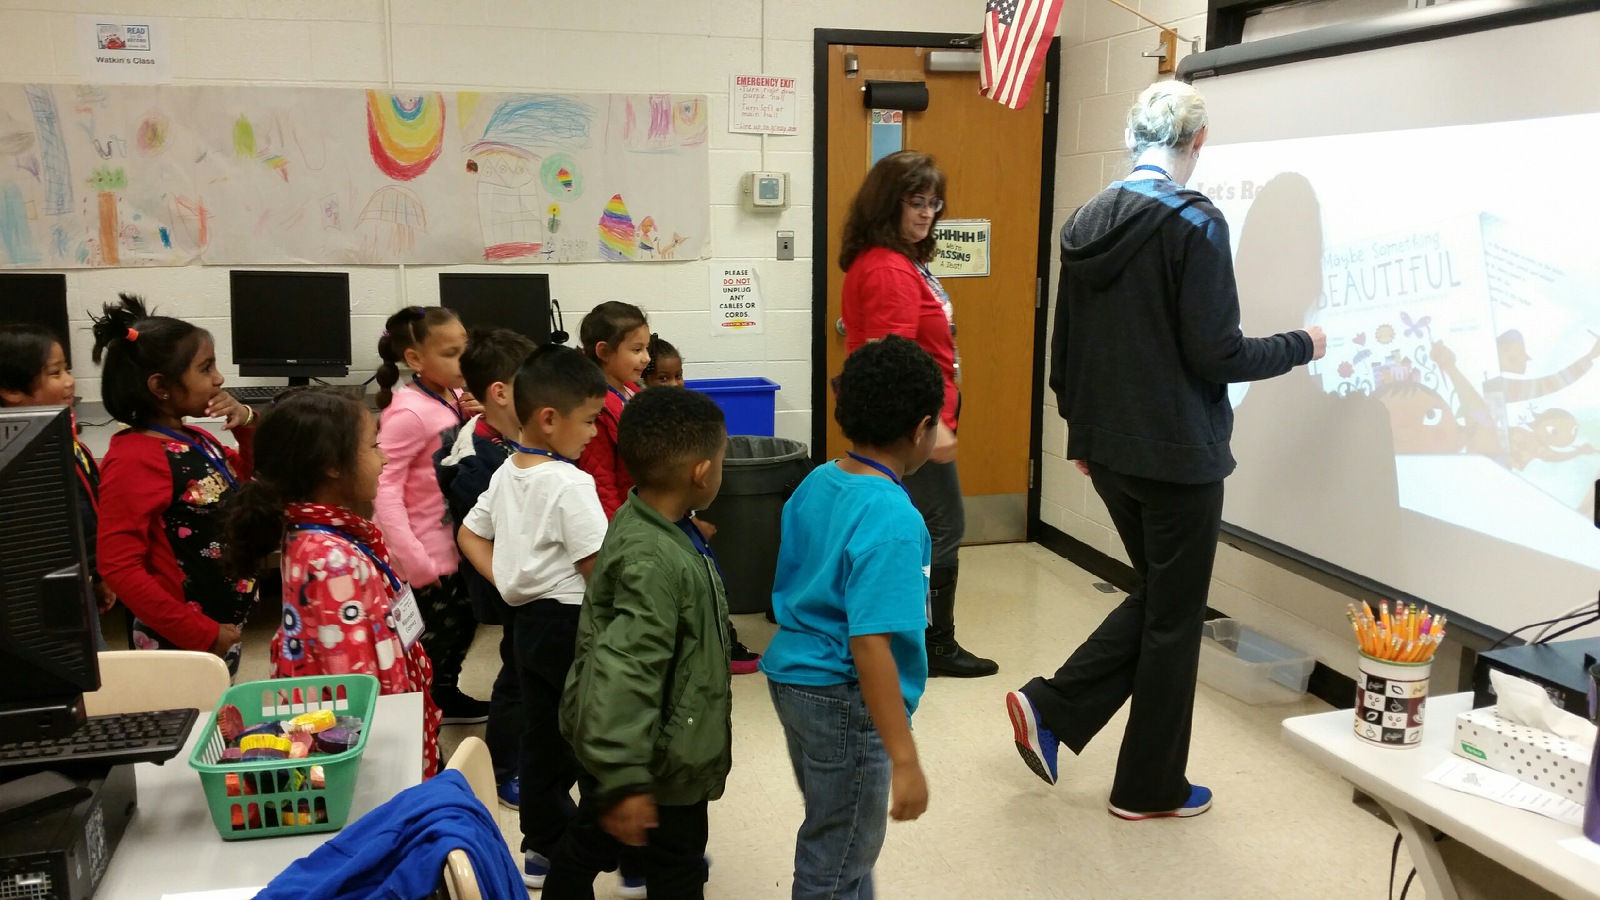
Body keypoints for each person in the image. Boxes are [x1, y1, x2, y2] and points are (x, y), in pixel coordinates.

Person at [1008, 82, 1327, 819]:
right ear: (1199, 141)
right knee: (1174, 619)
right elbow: (1218, 354)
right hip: (1180, 459)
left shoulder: (1085, 219)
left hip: (1106, 452)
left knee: (1162, 600)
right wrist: (1301, 345)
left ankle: (1053, 709)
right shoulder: (1197, 222)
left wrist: (1083, 430)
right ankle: (1143, 786)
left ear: (1132, 136)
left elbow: (1064, 349)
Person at [762, 336, 938, 899]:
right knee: (838, 856)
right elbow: (870, 645)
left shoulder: (819, 479)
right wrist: (905, 759)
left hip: (794, 681)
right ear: (922, 428)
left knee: (841, 833)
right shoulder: (893, 519)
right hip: (843, 697)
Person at [543, 387, 731, 900]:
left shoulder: (652, 520)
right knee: (676, 867)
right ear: (700, 473)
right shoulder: (652, 559)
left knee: (594, 836)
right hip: (653, 757)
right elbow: (626, 667)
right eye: (721, 460)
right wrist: (626, 779)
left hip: (643, 739)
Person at [223, 389, 443, 779]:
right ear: (332, 466)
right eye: (373, 446)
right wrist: (390, 745)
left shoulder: (319, 532)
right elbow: (353, 685)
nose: (384, 458)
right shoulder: (330, 559)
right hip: (370, 739)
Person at [455, 345, 610, 892]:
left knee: (542, 739)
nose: (593, 432)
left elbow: (469, 533)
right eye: (588, 420)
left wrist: (505, 579)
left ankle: (541, 846)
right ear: (549, 418)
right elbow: (598, 570)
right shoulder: (570, 483)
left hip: (526, 626)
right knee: (595, 740)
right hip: (572, 625)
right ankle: (607, 846)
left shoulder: (508, 471)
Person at [839, 149, 996, 678]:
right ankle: (935, 643)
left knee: (912, 525)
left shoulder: (896, 260)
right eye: (915, 202)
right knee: (942, 525)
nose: (928, 213)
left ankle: (908, 634)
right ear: (890, 204)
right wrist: (934, 424)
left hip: (911, 423)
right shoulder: (888, 268)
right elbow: (895, 361)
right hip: (910, 428)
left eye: (934, 203)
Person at [90, 293, 259, 672]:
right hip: (180, 639)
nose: (219, 379)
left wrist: (246, 422)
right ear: (160, 386)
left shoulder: (196, 439)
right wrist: (199, 632)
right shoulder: (134, 459)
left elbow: (251, 481)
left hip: (221, 627)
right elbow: (119, 566)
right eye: (206, 368)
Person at [435, 327, 536, 809]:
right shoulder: (475, 457)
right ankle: (503, 768)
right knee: (517, 673)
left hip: (533, 577)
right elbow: (483, 531)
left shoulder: (517, 435)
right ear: (500, 393)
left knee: (532, 665)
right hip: (507, 581)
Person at [373, 305, 487, 725]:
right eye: (451, 354)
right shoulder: (408, 412)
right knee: (433, 641)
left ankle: (446, 694)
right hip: (428, 556)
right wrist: (413, 560)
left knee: (462, 628)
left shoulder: (453, 397)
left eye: (465, 349)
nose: (464, 361)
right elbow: (384, 490)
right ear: (415, 359)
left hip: (458, 546)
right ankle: (423, 713)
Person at [641, 330, 762, 678]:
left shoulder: (685, 417)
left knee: (711, 576)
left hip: (682, 517)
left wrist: (690, 518)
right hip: (663, 522)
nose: (674, 384)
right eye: (663, 378)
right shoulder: (646, 425)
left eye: (678, 376)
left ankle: (723, 641)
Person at [0, 324, 116, 641]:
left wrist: (98, 572)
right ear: (11, 390)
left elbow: (88, 511)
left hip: (78, 578)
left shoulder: (61, 438)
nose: (69, 381)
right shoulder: (25, 459)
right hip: (42, 593)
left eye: (67, 369)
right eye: (55, 373)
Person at [576, 300, 651, 517]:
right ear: (604, 351)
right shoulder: (595, 408)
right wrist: (618, 531)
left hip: (644, 508)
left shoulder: (632, 390)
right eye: (637, 349)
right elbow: (602, 484)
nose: (646, 358)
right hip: (623, 518)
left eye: (646, 348)